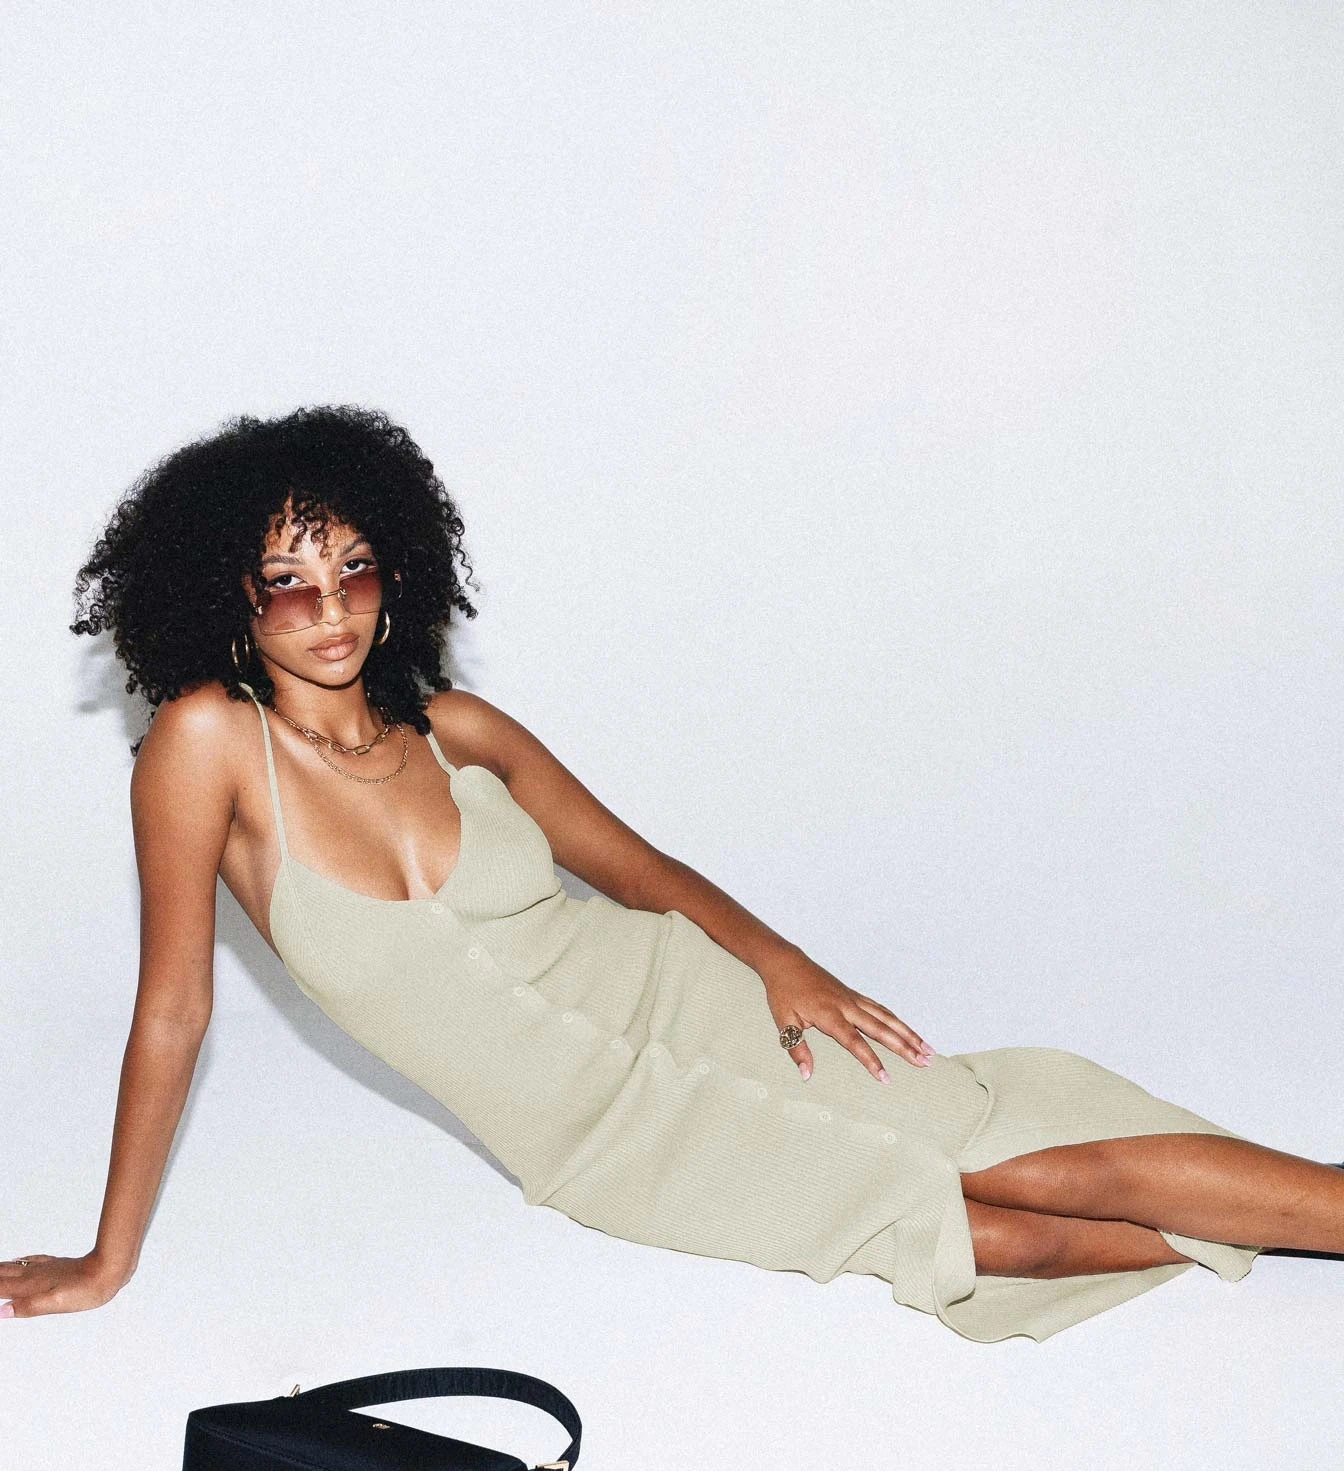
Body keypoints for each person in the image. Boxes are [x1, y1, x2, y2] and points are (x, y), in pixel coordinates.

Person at [2, 405, 1335, 1342]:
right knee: (995, 1247)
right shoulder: (205, 747)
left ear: (396, 573)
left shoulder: (457, 730)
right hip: (596, 1140)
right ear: (231, 601)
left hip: (690, 1005)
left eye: (355, 569)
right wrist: (110, 1259)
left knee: (1028, 1161)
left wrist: (786, 967)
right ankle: (1261, 1218)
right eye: (288, 583)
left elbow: (639, 870)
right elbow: (173, 1011)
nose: (332, 606)